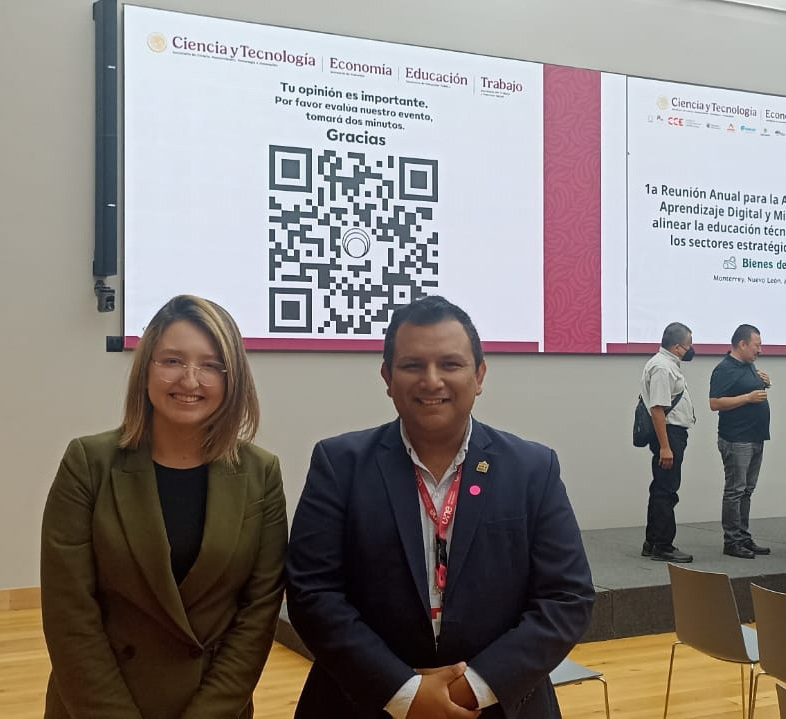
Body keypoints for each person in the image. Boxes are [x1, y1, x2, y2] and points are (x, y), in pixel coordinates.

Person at [286, 295, 594, 719]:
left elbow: (567, 598)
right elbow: (312, 594)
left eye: (450, 364)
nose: (432, 381)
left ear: (479, 375)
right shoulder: (339, 465)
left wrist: (471, 689)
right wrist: (405, 694)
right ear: (387, 377)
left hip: (497, 706)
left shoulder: (532, 469)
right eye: (413, 365)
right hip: (364, 703)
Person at [40, 295, 287, 719]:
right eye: (172, 361)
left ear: (233, 380)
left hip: (212, 706)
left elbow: (258, 614)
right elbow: (70, 616)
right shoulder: (88, 463)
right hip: (97, 705)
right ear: (146, 370)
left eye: (211, 365)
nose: (190, 380)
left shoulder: (260, 472)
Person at [709, 324, 771, 559]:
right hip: (736, 439)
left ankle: (744, 537)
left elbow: (750, 389)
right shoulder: (724, 369)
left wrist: (764, 383)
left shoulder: (749, 366)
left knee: (747, 490)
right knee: (735, 491)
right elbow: (715, 403)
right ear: (742, 344)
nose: (760, 350)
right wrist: (748, 397)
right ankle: (732, 541)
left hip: (755, 437)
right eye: (757, 345)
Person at [639, 322, 696, 563]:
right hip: (669, 434)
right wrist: (665, 446)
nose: (691, 349)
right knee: (667, 490)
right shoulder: (662, 367)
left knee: (660, 487)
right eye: (688, 344)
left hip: (670, 434)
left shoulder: (666, 364)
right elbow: (657, 409)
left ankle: (652, 542)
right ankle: (663, 545)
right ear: (677, 347)